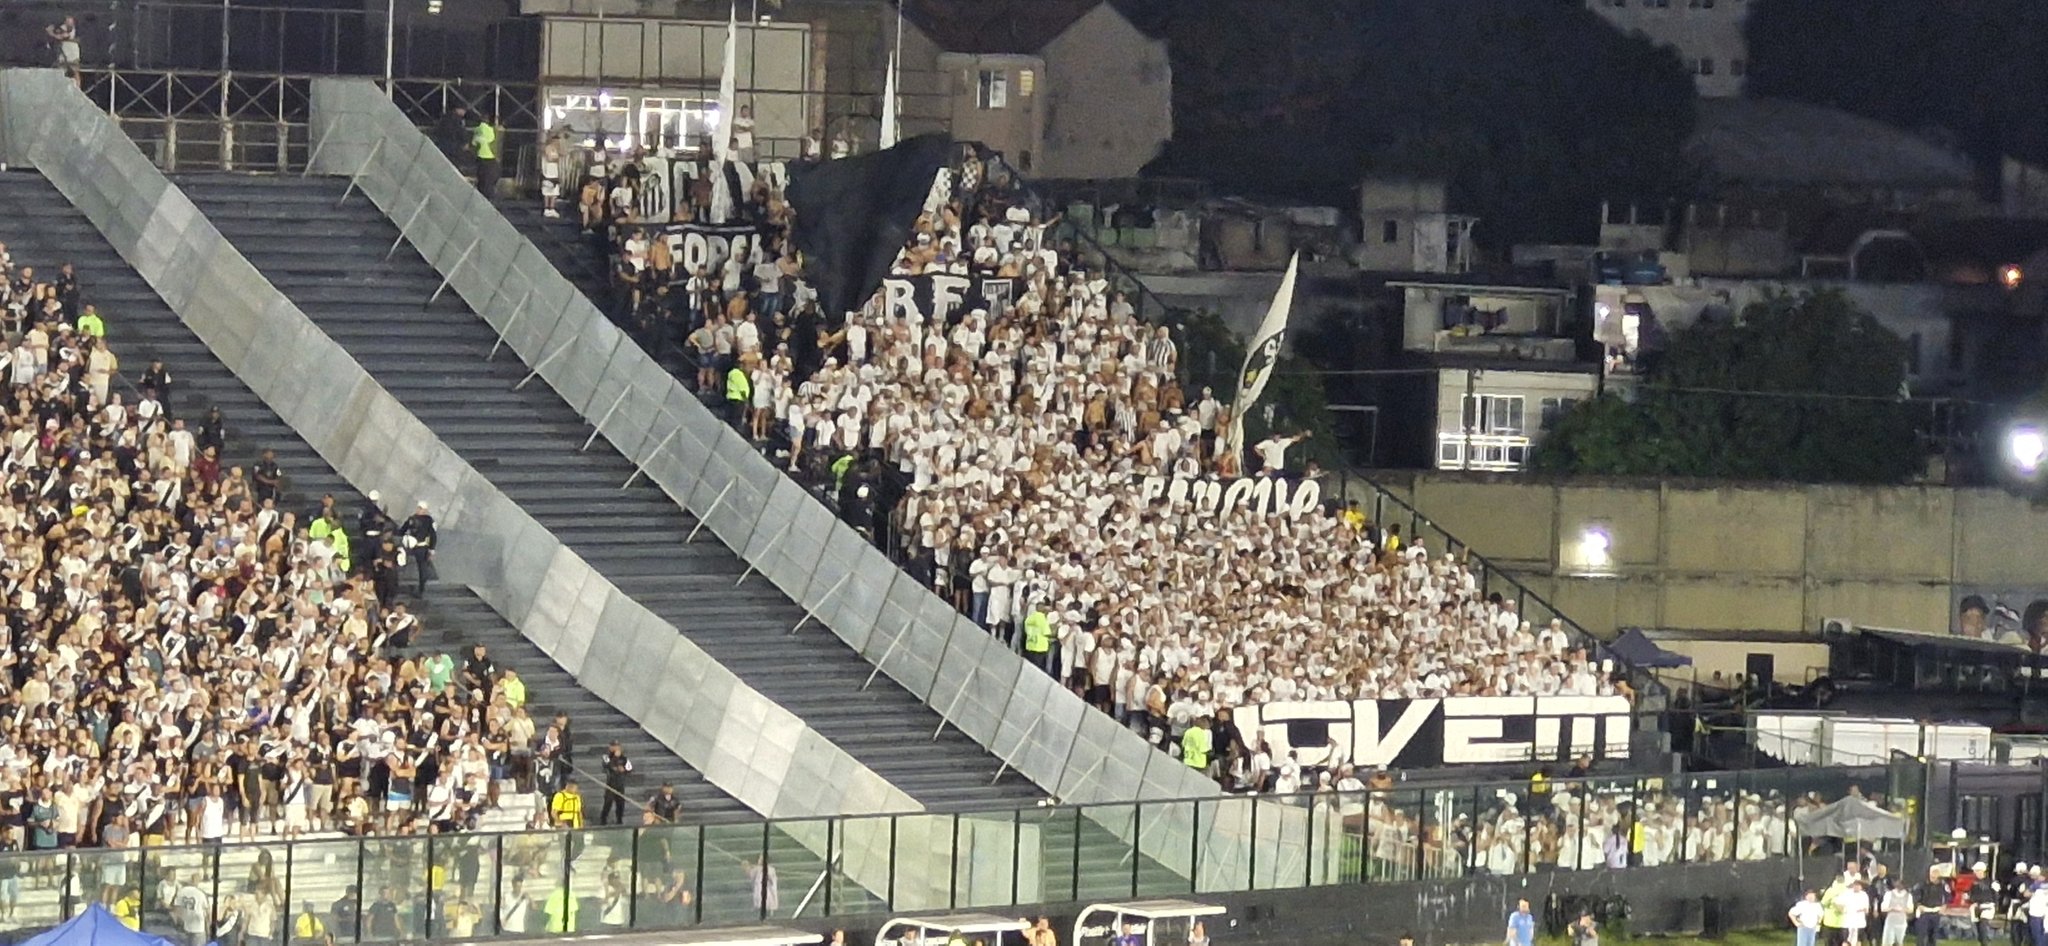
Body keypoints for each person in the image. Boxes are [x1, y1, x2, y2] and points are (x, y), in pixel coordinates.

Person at [400, 502, 437, 597]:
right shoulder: (413, 519)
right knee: (418, 566)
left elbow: (433, 535)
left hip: (419, 547)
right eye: (419, 508)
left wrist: (431, 549)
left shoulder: (427, 520)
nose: (419, 510)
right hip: (414, 547)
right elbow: (402, 530)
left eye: (421, 508)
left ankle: (421, 589)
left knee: (421, 568)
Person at [600, 742, 633, 826]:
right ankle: (603, 819)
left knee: (620, 803)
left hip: (620, 783)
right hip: (611, 783)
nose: (616, 748)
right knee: (608, 802)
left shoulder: (624, 758)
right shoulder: (606, 757)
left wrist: (624, 770)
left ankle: (619, 819)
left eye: (617, 746)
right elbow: (607, 765)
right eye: (613, 746)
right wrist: (615, 758)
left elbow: (629, 768)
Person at [472, 112, 502, 198]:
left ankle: (481, 197)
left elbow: (474, 143)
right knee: (490, 180)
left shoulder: (477, 130)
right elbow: (495, 143)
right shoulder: (491, 130)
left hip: (480, 158)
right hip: (490, 158)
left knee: (482, 180)